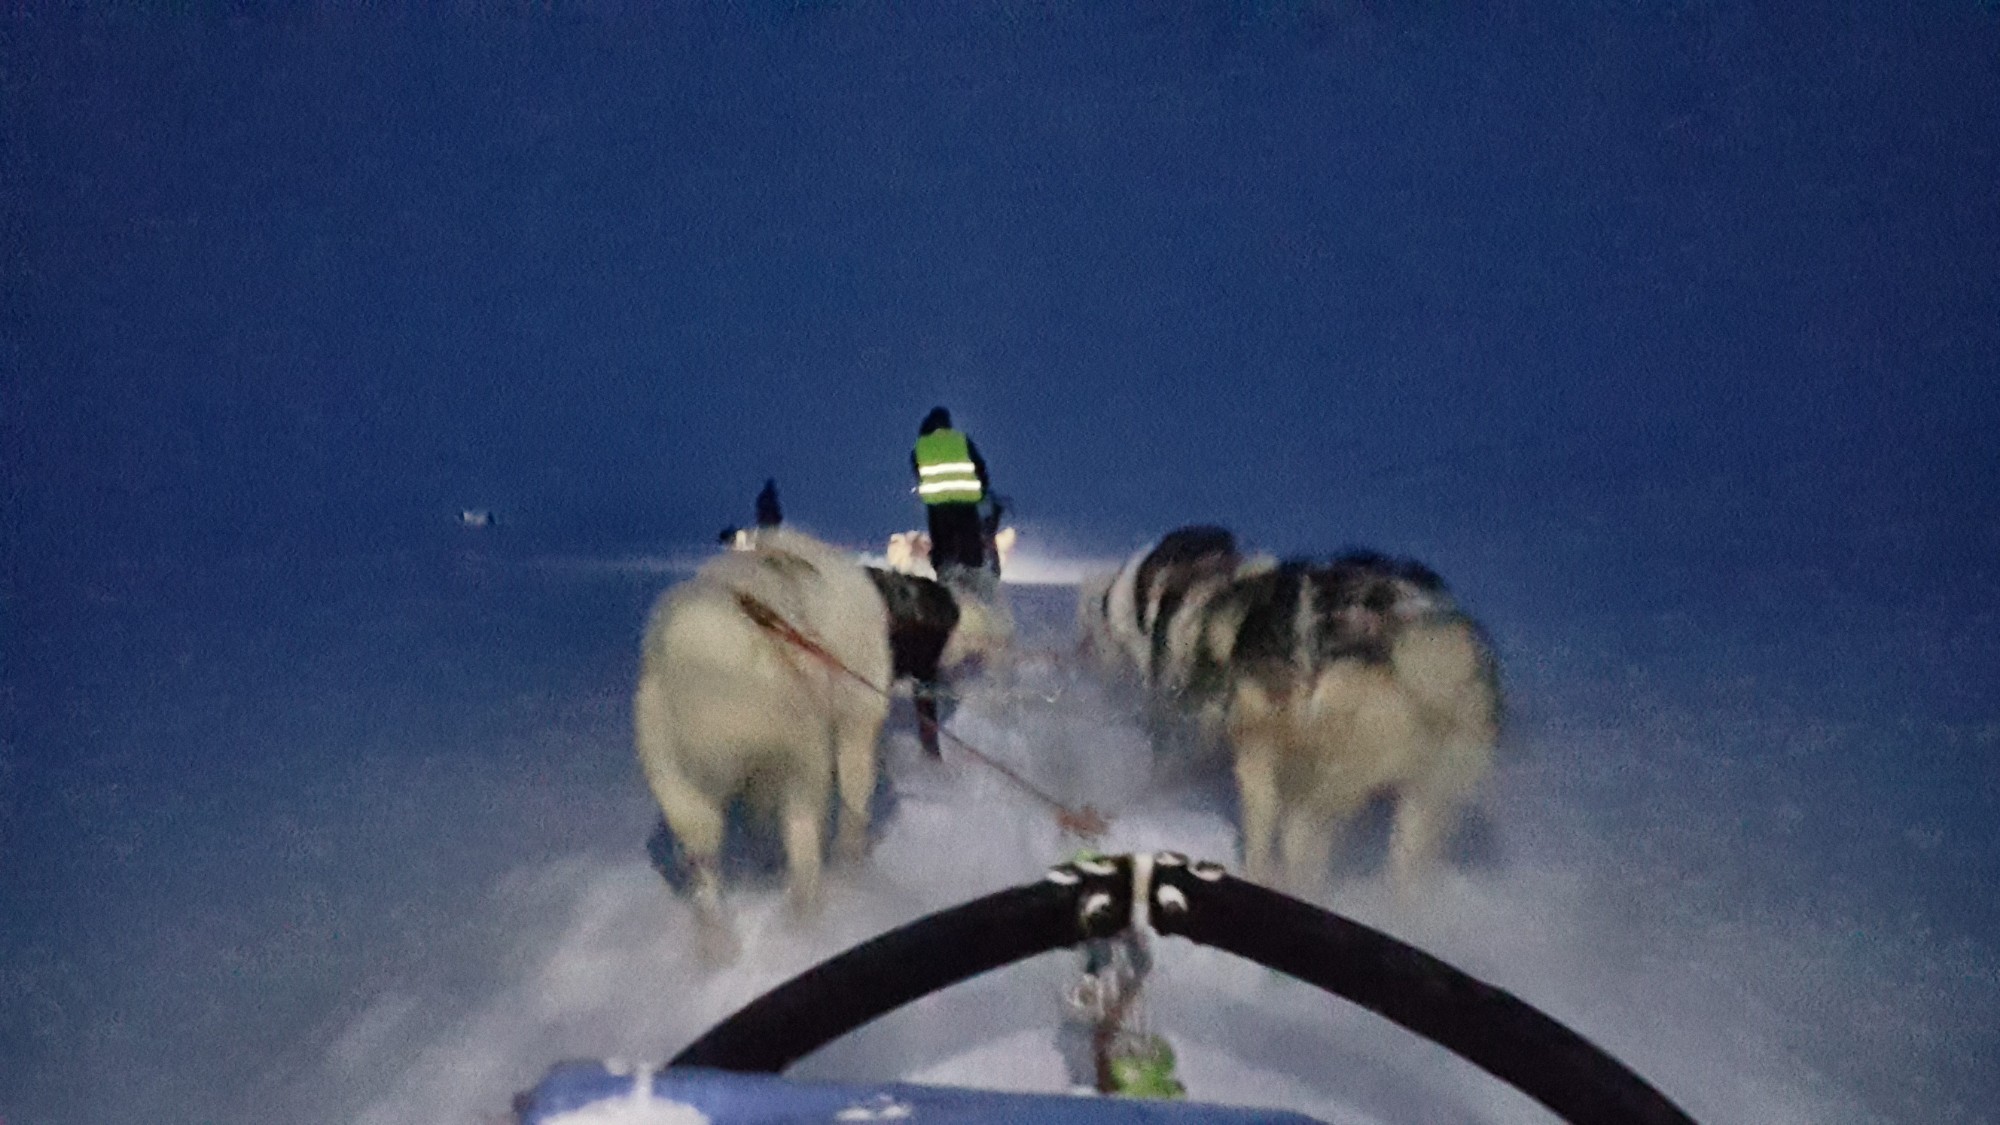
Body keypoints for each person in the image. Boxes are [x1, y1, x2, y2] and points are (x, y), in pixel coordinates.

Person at [910, 407, 991, 584]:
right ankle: (975, 582)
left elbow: (918, 473)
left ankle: (946, 582)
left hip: (938, 506)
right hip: (966, 503)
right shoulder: (961, 440)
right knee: (970, 545)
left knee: (943, 547)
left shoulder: (920, 446)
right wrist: (983, 489)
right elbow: (980, 467)